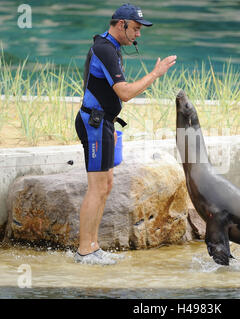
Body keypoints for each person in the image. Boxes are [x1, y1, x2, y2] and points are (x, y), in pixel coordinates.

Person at [74, 4, 177, 265]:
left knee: (105, 185)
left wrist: (110, 122)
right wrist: (155, 73)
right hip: (94, 124)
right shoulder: (105, 49)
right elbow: (125, 93)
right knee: (97, 188)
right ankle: (85, 250)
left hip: (104, 123)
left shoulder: (112, 49)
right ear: (122, 24)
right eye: (136, 29)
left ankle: (93, 247)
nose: (138, 35)